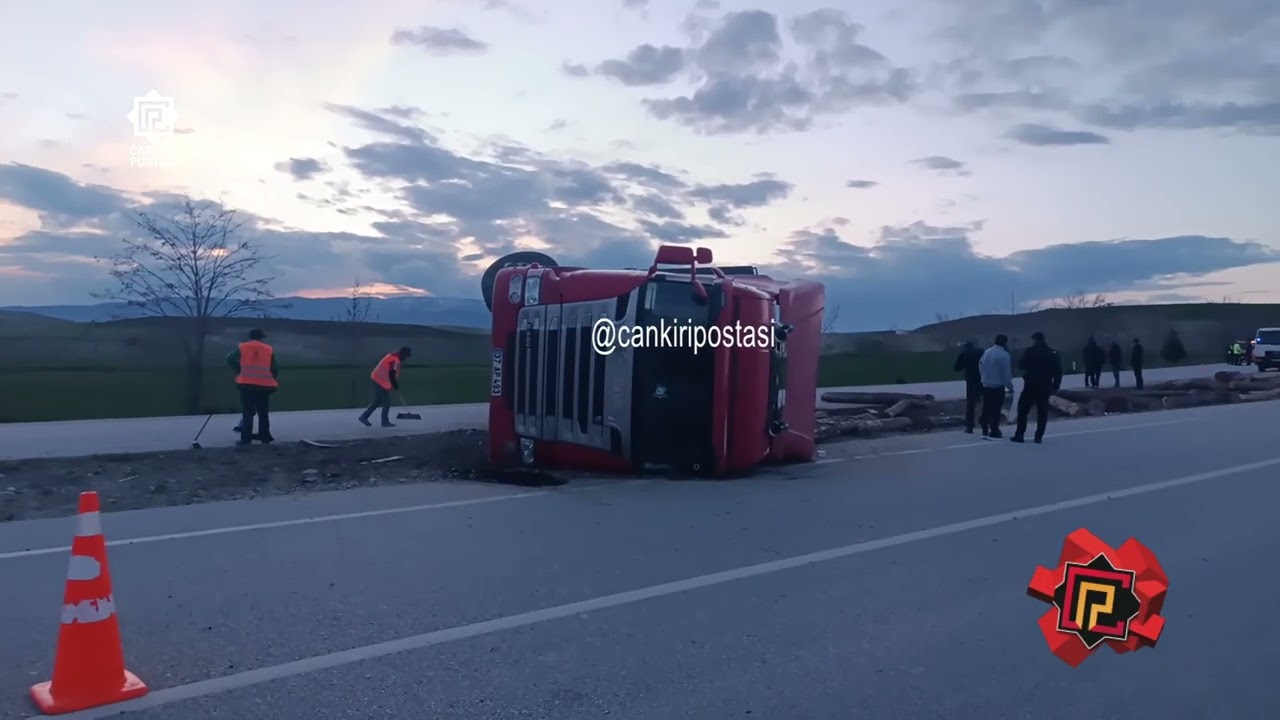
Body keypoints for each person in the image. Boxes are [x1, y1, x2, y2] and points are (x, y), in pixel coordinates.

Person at [227, 329, 278, 446]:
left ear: (250, 337)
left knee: (248, 413)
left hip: (246, 385)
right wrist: (270, 377)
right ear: (261, 338)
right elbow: (275, 368)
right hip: (264, 386)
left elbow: (229, 358)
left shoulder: (243, 347)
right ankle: (264, 437)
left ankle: (246, 440)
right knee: (263, 413)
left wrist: (240, 369)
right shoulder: (268, 349)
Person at [1012, 331, 1063, 444]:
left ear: (1034, 340)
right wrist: (1056, 386)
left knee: (1023, 410)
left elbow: (1021, 365)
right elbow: (1058, 371)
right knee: (1042, 412)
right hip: (1045, 385)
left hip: (1030, 385)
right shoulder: (1053, 353)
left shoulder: (1030, 351)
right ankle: (1038, 436)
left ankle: (1019, 435)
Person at [358, 346, 412, 427]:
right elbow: (391, 374)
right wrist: (395, 385)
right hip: (380, 381)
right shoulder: (394, 360)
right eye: (407, 356)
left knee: (377, 401)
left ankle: (364, 417)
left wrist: (393, 384)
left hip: (377, 378)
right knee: (387, 402)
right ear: (403, 354)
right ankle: (384, 422)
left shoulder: (391, 356)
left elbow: (391, 373)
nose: (406, 358)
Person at [977, 334, 1014, 439]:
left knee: (986, 407)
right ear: (1005, 342)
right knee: (996, 409)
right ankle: (994, 429)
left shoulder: (987, 352)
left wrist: (983, 377)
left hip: (986, 384)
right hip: (998, 385)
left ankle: (984, 427)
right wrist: (1009, 385)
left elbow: (980, 364)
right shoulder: (1004, 355)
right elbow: (1006, 373)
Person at [953, 341, 983, 434]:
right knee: (985, 401)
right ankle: (986, 422)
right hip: (983, 379)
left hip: (971, 380)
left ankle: (970, 426)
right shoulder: (981, 352)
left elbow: (957, 368)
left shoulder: (964, 354)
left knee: (971, 403)